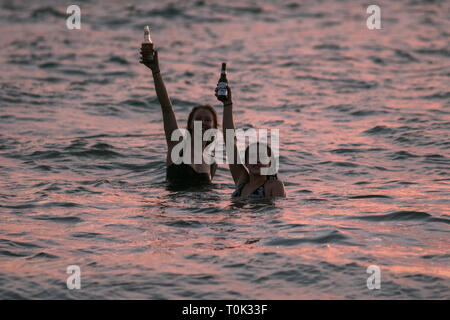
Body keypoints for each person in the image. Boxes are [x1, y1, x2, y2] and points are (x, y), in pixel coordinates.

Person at [140, 46, 218, 186]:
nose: (204, 123)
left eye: (208, 120)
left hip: (203, 208)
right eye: (198, 119)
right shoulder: (177, 144)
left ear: (214, 127)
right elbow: (166, 108)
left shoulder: (212, 161)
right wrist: (156, 71)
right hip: (174, 206)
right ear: (190, 125)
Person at [216, 85, 286, 198]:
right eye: (253, 156)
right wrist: (227, 104)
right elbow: (229, 141)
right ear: (246, 162)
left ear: (270, 163)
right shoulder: (242, 180)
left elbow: (278, 214)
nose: (257, 160)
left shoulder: (274, 185)